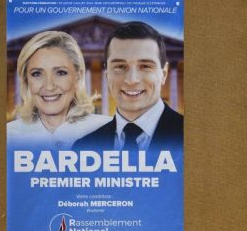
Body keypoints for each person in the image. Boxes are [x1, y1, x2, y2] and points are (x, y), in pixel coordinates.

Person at [74, 21, 182, 151]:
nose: (131, 80)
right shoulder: (82, 148)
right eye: (120, 66)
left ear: (164, 73)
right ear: (107, 74)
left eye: (145, 66)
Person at [7, 31, 109, 149]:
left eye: (61, 72)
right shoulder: (8, 137)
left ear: (78, 76)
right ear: (26, 80)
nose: (49, 86)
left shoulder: (110, 133)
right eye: (37, 74)